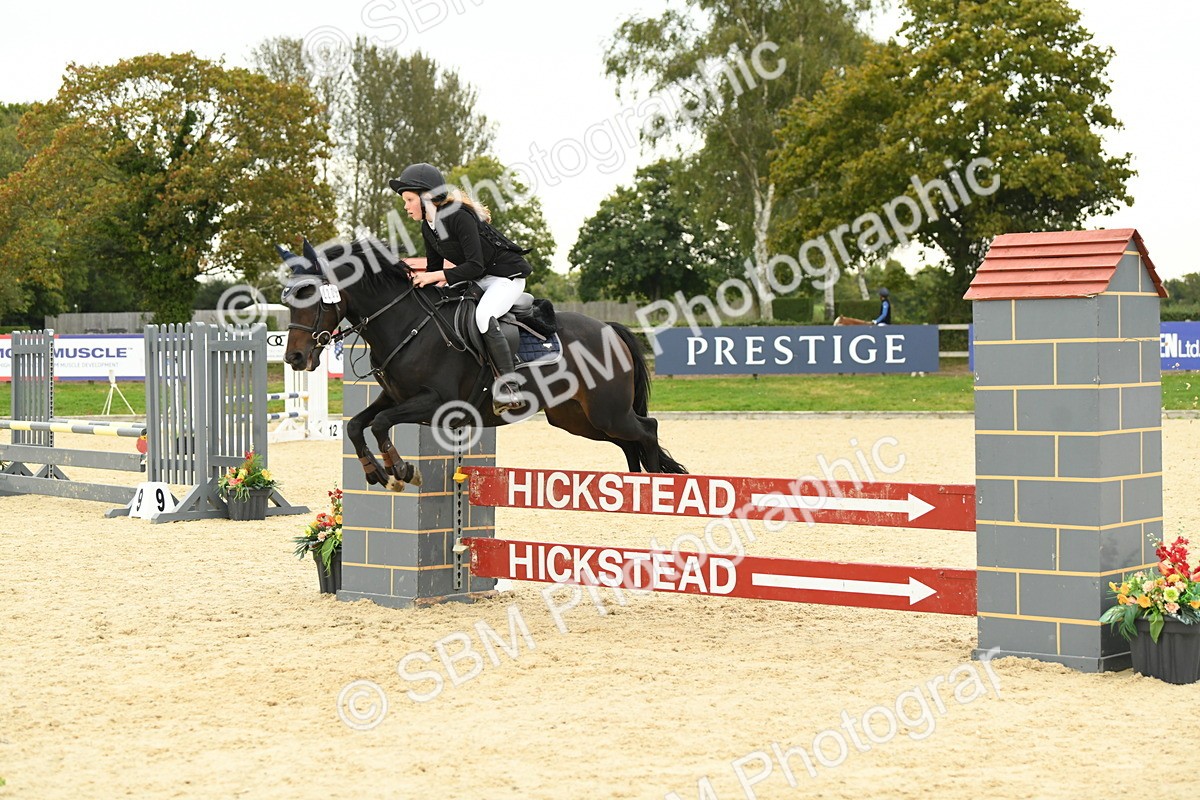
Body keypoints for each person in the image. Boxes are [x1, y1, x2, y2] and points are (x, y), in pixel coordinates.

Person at [389, 162, 532, 413]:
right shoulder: (428, 227)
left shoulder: (458, 216)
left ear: (426, 197)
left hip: (506, 277)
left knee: (484, 317)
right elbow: (435, 270)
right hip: (479, 279)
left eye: (409, 199)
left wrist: (434, 277)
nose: (405, 206)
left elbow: (474, 265)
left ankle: (509, 388)